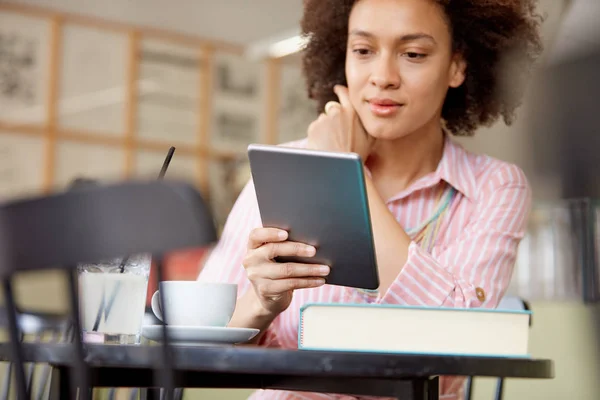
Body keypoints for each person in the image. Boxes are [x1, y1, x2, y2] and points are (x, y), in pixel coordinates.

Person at [198, 0, 543, 398]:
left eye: (413, 54)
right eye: (363, 51)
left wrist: (348, 173)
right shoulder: (281, 170)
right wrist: (262, 300)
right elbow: (203, 345)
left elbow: (460, 337)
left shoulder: (494, 187)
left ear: (457, 66)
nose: (382, 77)